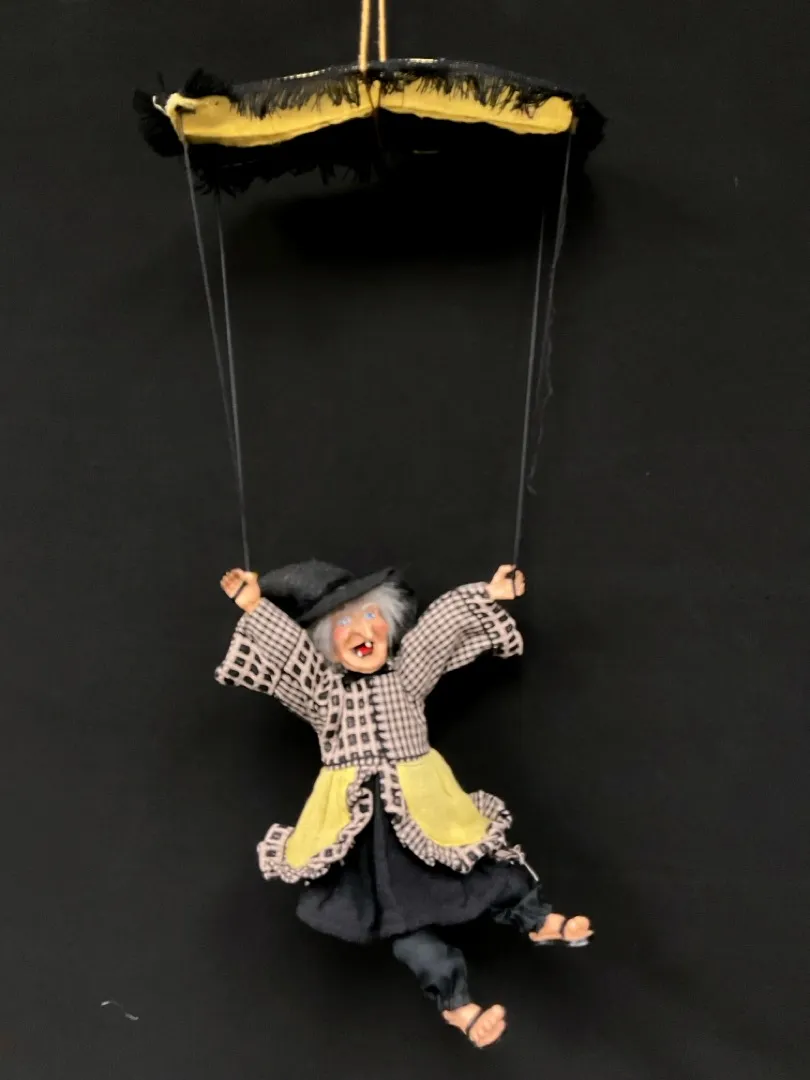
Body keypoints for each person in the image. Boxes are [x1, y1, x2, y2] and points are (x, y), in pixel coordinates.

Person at [217, 559, 592, 1048]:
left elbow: (438, 630)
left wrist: (489, 592)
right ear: (327, 642)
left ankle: (537, 919)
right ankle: (459, 1007)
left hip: (425, 807)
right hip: (363, 831)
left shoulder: (407, 676)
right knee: (401, 921)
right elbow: (290, 655)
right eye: (344, 624)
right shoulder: (324, 694)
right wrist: (255, 607)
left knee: (484, 867)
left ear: (389, 623)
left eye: (371, 615)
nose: (362, 630)